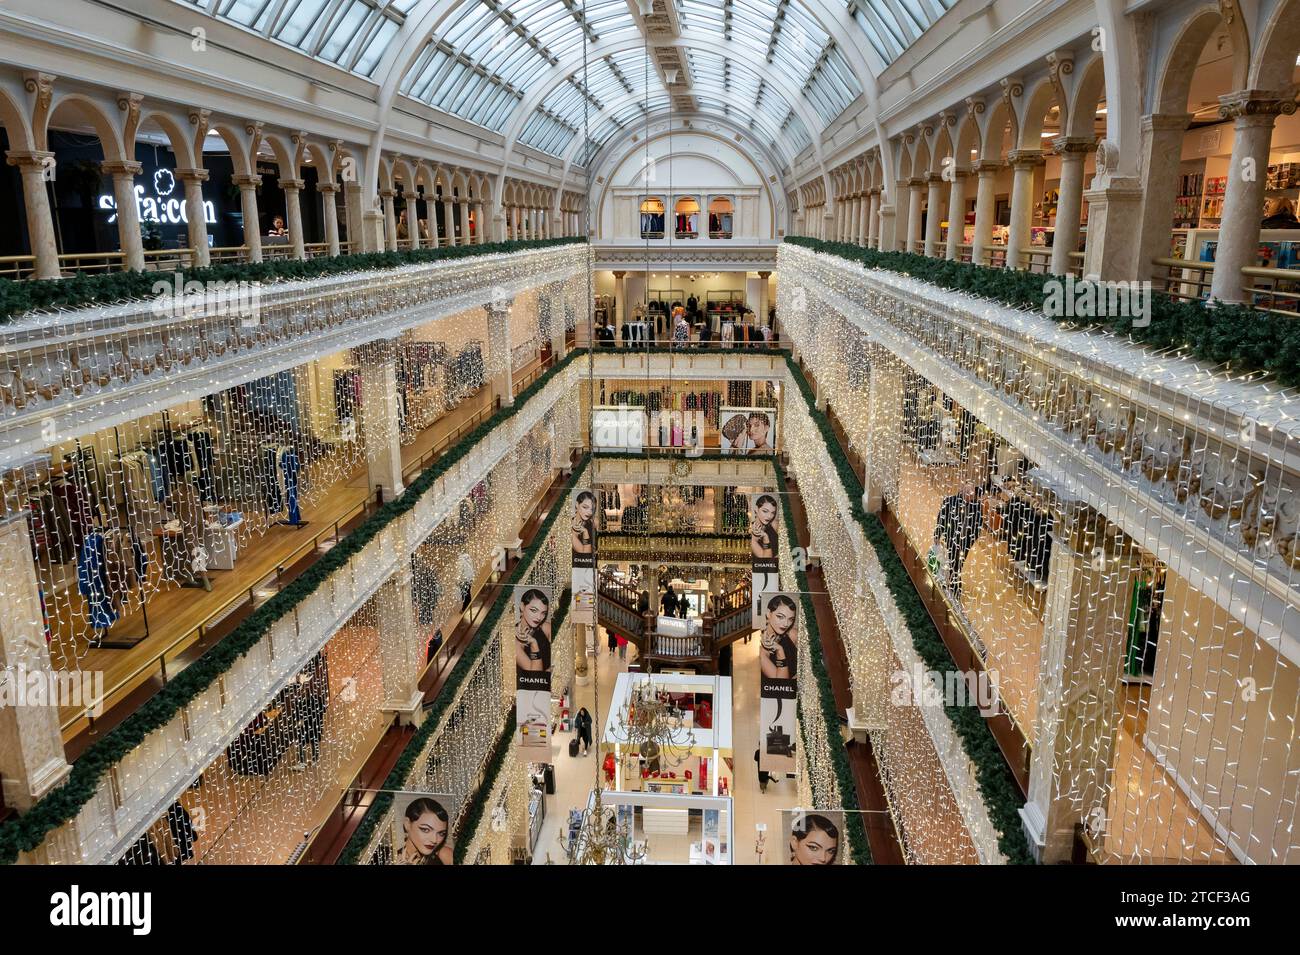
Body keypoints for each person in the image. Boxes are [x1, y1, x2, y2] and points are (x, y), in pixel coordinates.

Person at [934, 482, 984, 603]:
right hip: (951, 538)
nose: (969, 495)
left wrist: (971, 540)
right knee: (952, 560)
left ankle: (952, 582)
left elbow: (978, 525)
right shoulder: (950, 501)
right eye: (967, 492)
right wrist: (937, 534)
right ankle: (954, 585)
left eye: (971, 493)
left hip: (966, 541)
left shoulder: (976, 506)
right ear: (962, 491)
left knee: (959, 562)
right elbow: (941, 518)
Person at [397, 797, 452, 865]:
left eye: (441, 833)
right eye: (425, 830)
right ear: (407, 824)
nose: (434, 840)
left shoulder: (446, 855)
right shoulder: (388, 858)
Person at [760, 594, 797, 680]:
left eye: (791, 619)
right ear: (769, 613)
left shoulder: (792, 635)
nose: (786, 624)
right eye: (780, 617)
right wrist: (780, 651)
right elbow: (781, 683)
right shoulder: (761, 651)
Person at [515, 589, 552, 673]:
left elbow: (559, 656)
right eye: (534, 610)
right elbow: (536, 675)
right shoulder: (514, 640)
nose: (539, 617)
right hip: (527, 685)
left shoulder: (546, 628)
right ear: (522, 606)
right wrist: (534, 644)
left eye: (543, 613)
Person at [750, 494, 779, 565]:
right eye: (765, 511)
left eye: (772, 513)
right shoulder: (750, 534)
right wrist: (766, 537)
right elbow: (766, 561)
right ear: (756, 509)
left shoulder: (775, 524)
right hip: (761, 573)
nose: (769, 516)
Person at [572, 491, 596, 560]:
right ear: (577, 505)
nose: (589, 512)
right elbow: (586, 555)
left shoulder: (594, 522)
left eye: (592, 509)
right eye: (585, 507)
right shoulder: (569, 528)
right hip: (577, 567)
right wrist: (585, 532)